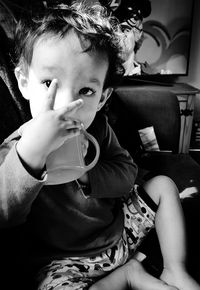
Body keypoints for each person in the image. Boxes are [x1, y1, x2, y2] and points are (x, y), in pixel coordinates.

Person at [0, 2, 199, 290]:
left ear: (103, 98)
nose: (67, 104)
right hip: (63, 263)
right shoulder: (15, 147)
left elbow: (127, 173)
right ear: (23, 82)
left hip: (119, 234)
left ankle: (174, 269)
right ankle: (128, 276)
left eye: (86, 90)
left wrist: (86, 174)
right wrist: (32, 153)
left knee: (164, 185)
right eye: (48, 83)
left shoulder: (99, 131)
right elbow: (5, 214)